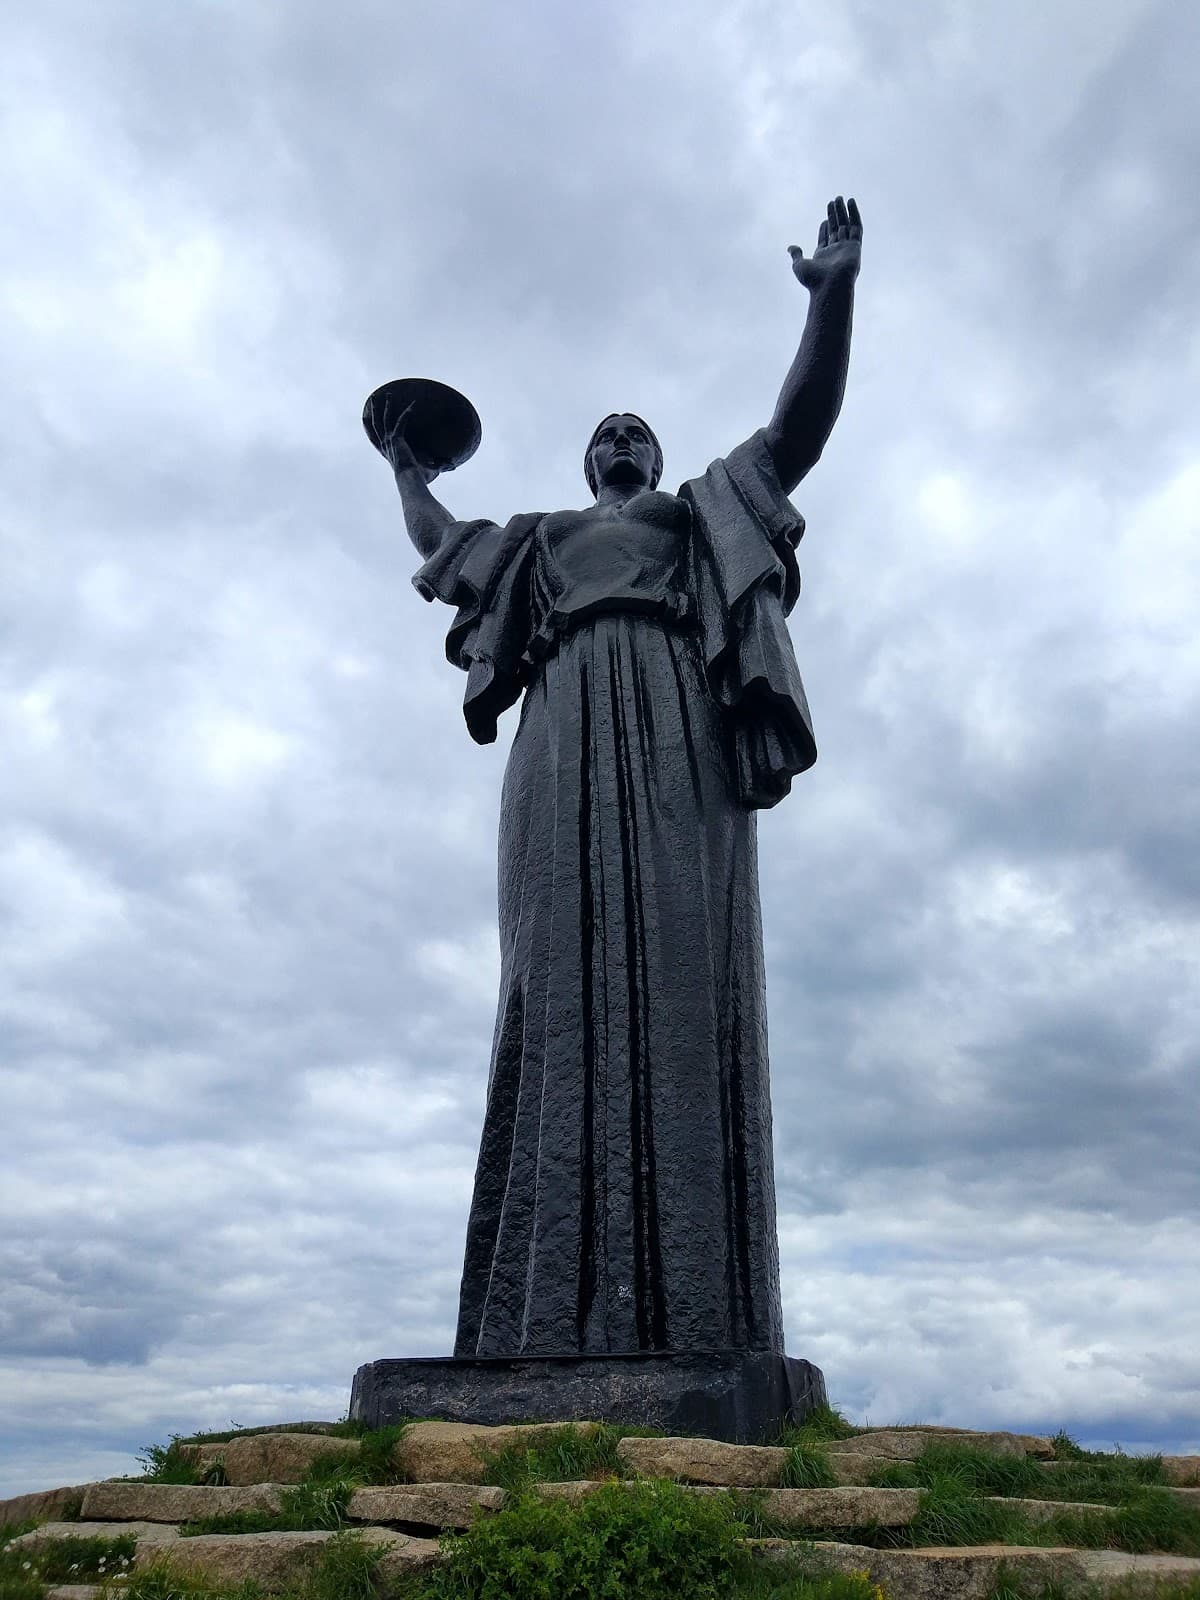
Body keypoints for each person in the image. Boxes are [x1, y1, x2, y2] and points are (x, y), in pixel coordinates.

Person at [384, 198, 863, 1359]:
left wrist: (832, 296)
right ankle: (540, 1314)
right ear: (584, 460)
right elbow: (444, 549)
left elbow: (797, 430)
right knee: (552, 971)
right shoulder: (543, 540)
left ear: (654, 456)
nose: (621, 440)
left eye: (636, 430)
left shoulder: (700, 511)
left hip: (672, 720)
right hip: (560, 730)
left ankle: (694, 1309)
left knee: (679, 960)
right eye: (605, 431)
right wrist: (402, 462)